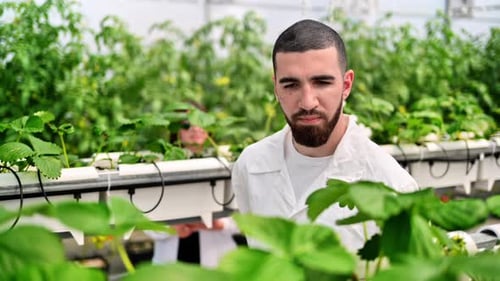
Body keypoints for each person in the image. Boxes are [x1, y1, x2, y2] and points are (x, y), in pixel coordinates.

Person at [230, 19, 419, 252]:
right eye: (291, 85)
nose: (308, 102)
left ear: (346, 85)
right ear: (276, 87)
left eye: (321, 82)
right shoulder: (251, 165)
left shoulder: (391, 184)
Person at [148, 114, 241, 268]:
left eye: (200, 122)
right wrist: (171, 228)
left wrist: (222, 224)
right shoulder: (158, 166)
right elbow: (143, 215)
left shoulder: (227, 162)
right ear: (176, 131)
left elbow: (248, 213)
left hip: (218, 262)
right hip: (170, 264)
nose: (195, 128)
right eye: (187, 125)